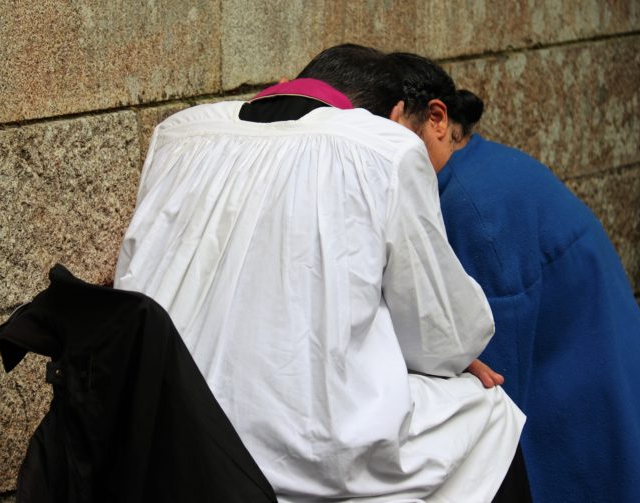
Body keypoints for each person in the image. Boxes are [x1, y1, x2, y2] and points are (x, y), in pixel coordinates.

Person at [114, 44, 524, 502]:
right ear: (394, 115)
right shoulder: (383, 147)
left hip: (157, 428)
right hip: (289, 449)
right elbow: (444, 335)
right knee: (489, 413)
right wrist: (448, 347)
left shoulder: (180, 133)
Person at [386, 51, 640, 502]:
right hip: (630, 427)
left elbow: (491, 387)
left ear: (437, 119)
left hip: (596, 446)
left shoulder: (473, 207)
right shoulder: (481, 171)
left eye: (384, 134)